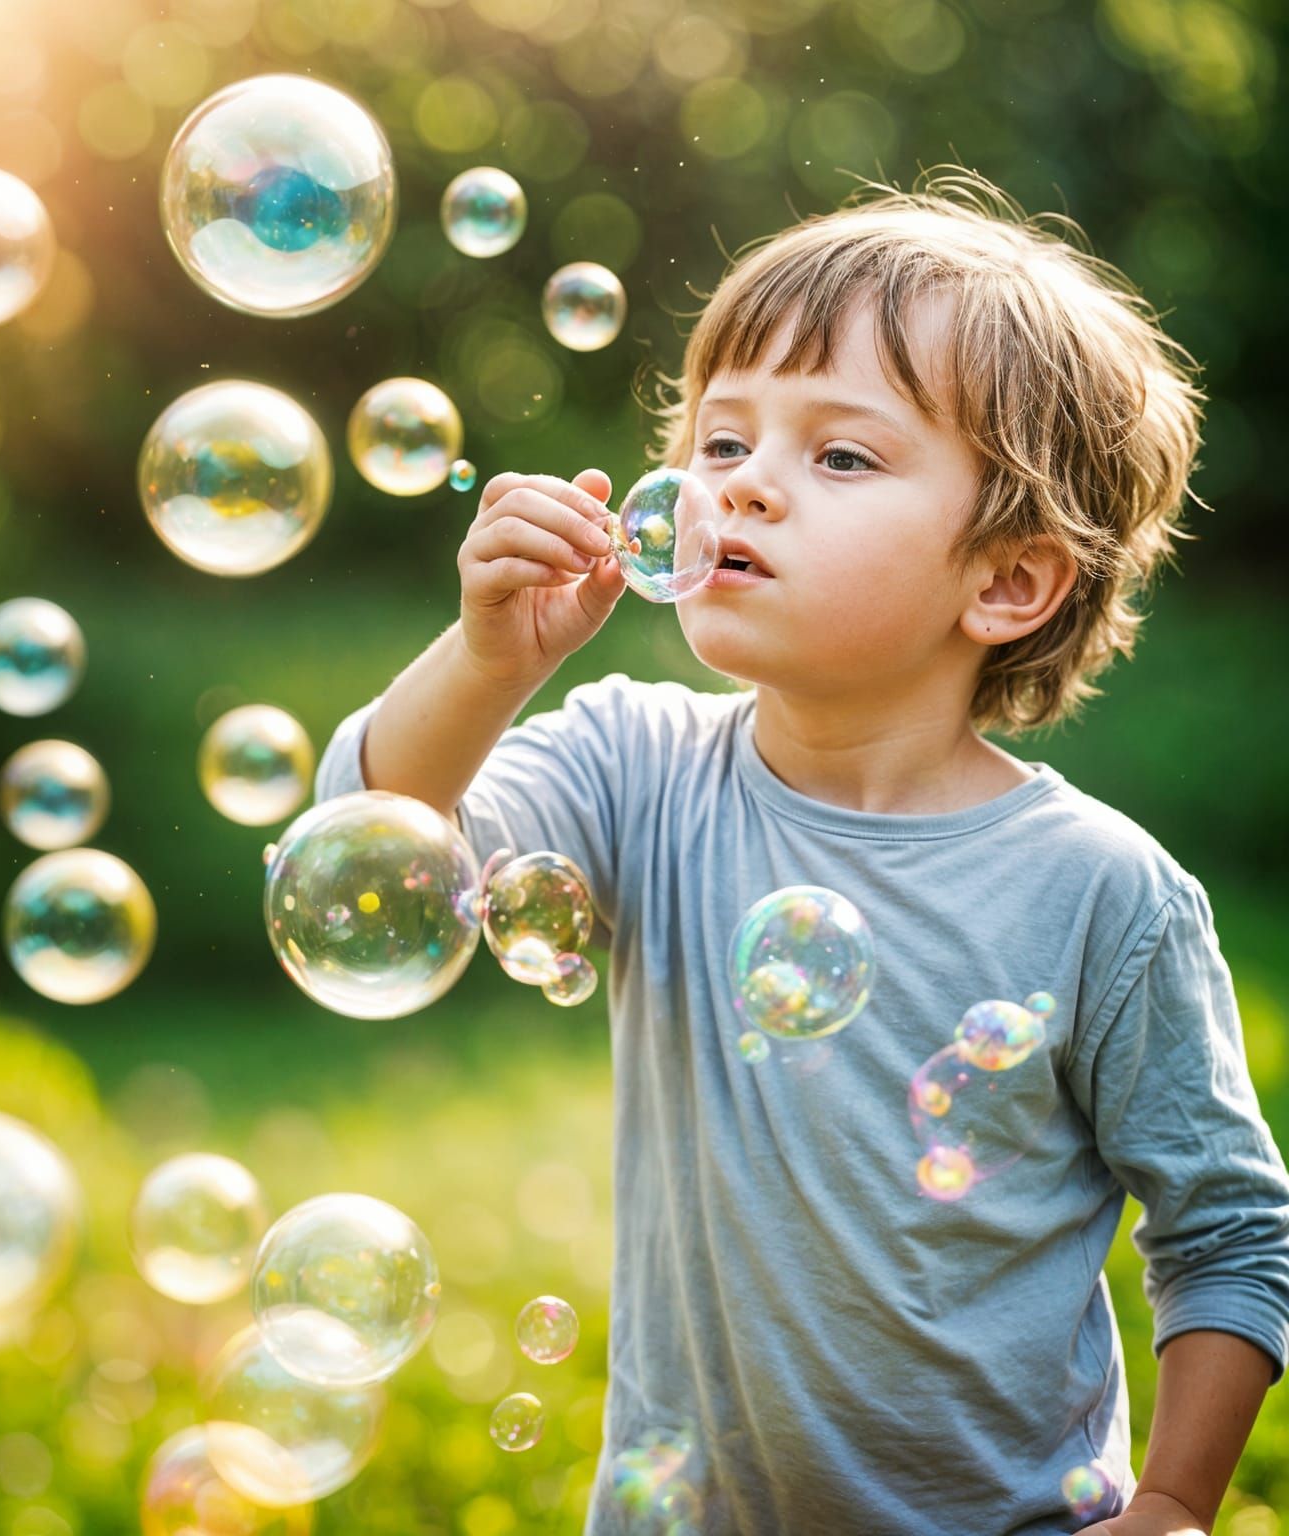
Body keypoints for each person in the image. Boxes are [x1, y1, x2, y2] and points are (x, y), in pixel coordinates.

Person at [315, 168, 1289, 1535]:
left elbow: (1231, 1231)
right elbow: (368, 854)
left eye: (839, 456)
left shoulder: (1100, 895)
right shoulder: (635, 764)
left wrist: (1178, 1504)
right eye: (721, 444)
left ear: (1006, 580)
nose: (747, 489)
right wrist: (486, 664)